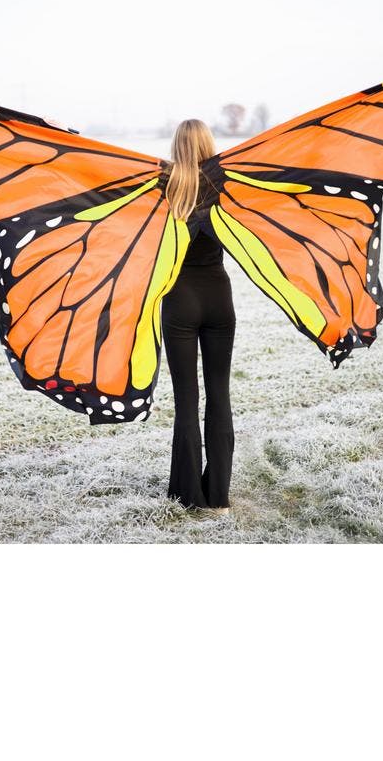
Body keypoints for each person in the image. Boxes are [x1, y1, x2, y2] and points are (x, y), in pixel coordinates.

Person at [162, 119, 237, 514]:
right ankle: (219, 498)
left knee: (187, 401)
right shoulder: (227, 184)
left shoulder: (162, 186)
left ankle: (189, 494)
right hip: (219, 298)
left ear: (176, 146)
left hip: (179, 302)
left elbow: (94, 176)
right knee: (220, 394)